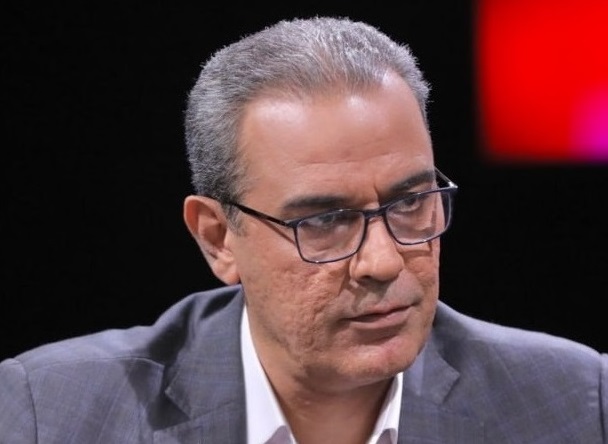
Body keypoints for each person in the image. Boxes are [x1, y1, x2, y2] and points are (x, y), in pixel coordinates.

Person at [0, 15, 606, 444]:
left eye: (410, 202)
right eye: (325, 221)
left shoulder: (577, 404)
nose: (383, 262)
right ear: (217, 238)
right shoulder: (49, 413)